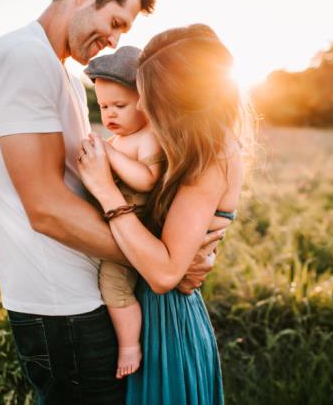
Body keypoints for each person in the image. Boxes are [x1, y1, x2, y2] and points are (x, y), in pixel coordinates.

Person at [0, 0, 226, 403]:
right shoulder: (23, 58)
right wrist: (165, 264)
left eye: (123, 31)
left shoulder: (64, 76)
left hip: (87, 297)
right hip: (63, 307)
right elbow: (46, 208)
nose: (114, 41)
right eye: (115, 21)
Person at [77, 23, 251, 404]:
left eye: (149, 95)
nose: (140, 105)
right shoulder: (187, 146)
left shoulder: (211, 155)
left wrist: (106, 192)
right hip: (152, 313)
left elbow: (164, 273)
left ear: (182, 98)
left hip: (167, 323)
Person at [84, 46, 164, 379]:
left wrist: (109, 154)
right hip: (114, 226)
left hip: (134, 234)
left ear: (145, 103)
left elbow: (147, 180)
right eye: (103, 107)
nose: (110, 115)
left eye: (119, 106)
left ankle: (130, 344)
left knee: (113, 285)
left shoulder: (148, 138)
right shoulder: (119, 139)